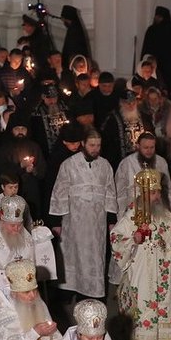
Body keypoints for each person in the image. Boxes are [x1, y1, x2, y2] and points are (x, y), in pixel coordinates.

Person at [110, 168, 171, 339]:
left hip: (163, 273)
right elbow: (116, 237)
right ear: (143, 194)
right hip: (140, 273)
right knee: (143, 308)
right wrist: (133, 239)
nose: (157, 197)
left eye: (158, 192)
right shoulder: (132, 214)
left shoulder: (165, 214)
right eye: (153, 193)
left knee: (164, 307)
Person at [50, 129, 117, 300]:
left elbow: (110, 193)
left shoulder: (105, 165)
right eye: (92, 145)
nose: (95, 149)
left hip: (97, 224)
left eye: (98, 145)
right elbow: (59, 192)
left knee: (96, 256)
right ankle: (70, 291)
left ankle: (94, 293)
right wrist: (57, 221)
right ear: (83, 144)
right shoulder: (69, 164)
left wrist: (111, 220)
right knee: (72, 255)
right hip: (74, 222)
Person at [0, 259, 62, 340]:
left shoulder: (37, 301)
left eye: (35, 290)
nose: (33, 295)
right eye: (26, 292)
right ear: (14, 294)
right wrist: (34, 333)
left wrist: (51, 330)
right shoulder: (3, 313)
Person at [0, 195, 35, 293]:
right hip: (0, 292)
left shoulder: (27, 238)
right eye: (12, 225)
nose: (17, 229)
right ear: (2, 221)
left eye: (19, 225)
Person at [100, 90, 154, 169]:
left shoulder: (144, 117)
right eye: (128, 103)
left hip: (142, 160)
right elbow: (107, 142)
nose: (131, 105)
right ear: (121, 103)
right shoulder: (112, 119)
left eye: (133, 103)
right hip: (120, 160)